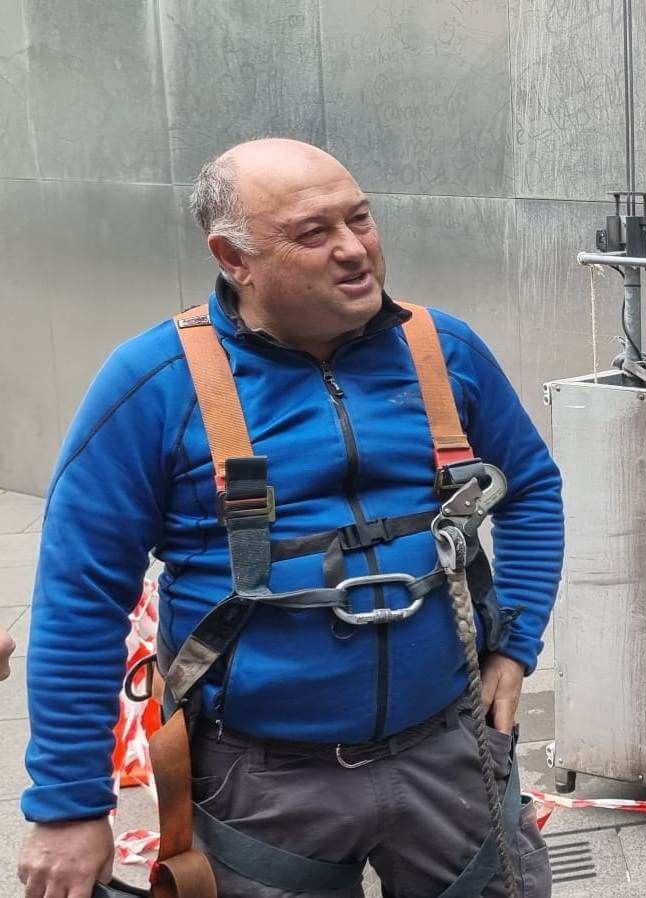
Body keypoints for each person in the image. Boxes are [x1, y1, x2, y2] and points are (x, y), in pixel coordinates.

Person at [17, 138, 563, 898]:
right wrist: (70, 807)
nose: (354, 250)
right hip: (262, 784)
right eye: (314, 233)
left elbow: (530, 485)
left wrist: (517, 645)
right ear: (233, 258)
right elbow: (80, 596)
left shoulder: (442, 351)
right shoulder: (155, 385)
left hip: (453, 749)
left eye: (361, 219)